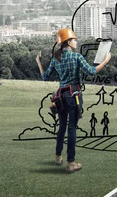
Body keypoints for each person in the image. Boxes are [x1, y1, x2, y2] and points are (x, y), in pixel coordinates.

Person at [36, 28, 111, 173]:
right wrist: (106, 60)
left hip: (60, 97)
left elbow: (44, 76)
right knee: (72, 128)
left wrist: (39, 62)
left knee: (62, 127)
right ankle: (71, 163)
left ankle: (58, 157)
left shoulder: (56, 59)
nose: (76, 42)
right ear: (68, 42)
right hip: (74, 95)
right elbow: (92, 71)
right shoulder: (76, 58)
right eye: (74, 40)